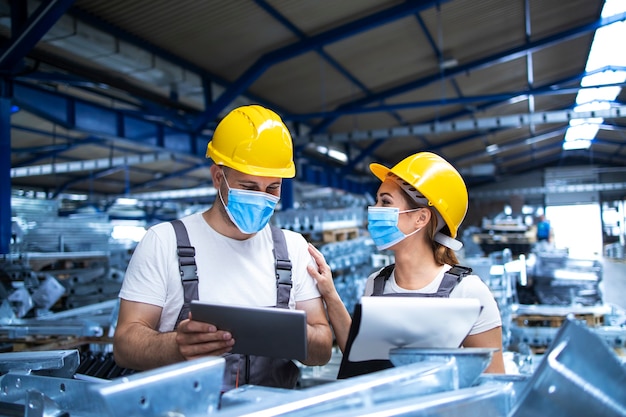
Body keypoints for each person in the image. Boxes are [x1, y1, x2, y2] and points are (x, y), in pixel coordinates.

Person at [113, 105, 333, 391]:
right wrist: (175, 346)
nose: (261, 199)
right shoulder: (164, 242)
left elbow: (323, 349)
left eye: (272, 189)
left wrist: (285, 331)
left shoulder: (292, 248)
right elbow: (124, 344)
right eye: (249, 187)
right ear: (218, 177)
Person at [307, 152, 506, 374]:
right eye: (377, 201)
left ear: (421, 218)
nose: (374, 210)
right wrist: (330, 294)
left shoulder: (469, 292)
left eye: (385, 202)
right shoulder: (376, 283)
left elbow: (492, 382)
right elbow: (360, 357)